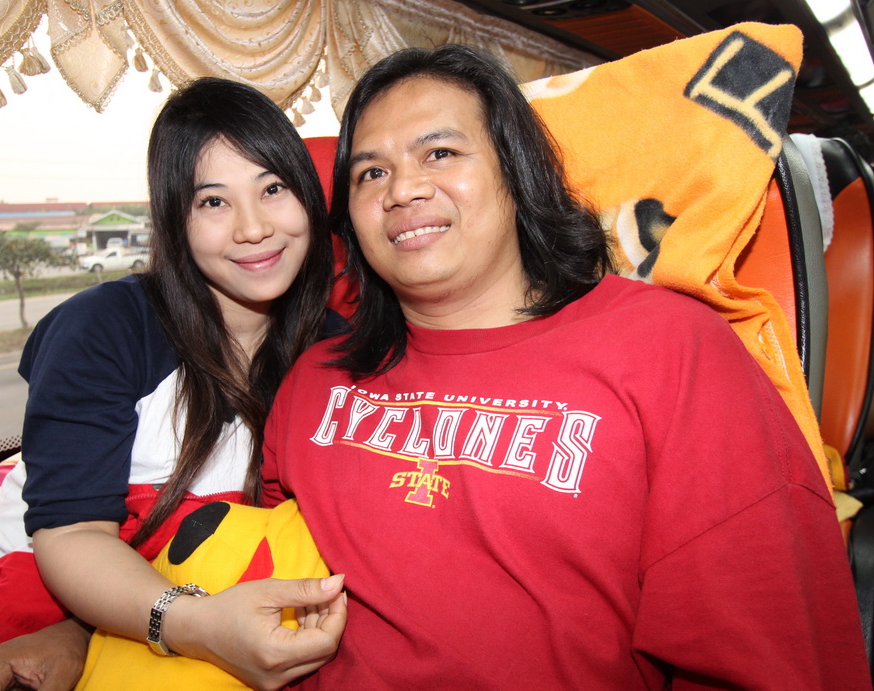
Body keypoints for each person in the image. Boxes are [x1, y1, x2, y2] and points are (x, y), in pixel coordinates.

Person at [258, 44, 873, 688]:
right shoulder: (315, 380)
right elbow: (256, 569)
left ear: (517, 171)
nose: (402, 190)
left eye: (439, 153)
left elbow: (765, 653)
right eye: (371, 173)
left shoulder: (670, 350)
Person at [0, 77, 346, 691]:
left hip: (191, 608)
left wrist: (87, 635)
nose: (253, 227)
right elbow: (74, 534)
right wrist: (172, 625)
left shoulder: (336, 353)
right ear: (174, 219)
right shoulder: (105, 328)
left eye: (272, 189)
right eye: (213, 202)